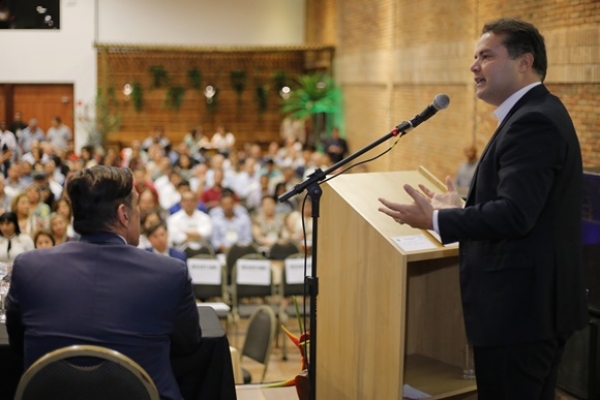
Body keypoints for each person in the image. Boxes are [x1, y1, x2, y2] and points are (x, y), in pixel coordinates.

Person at [378, 18, 587, 399]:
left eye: (486, 56)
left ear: (524, 62)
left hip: (520, 313)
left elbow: (515, 215)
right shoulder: (535, 113)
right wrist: (459, 206)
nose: (474, 66)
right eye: (475, 57)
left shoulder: (533, 121)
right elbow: (526, 207)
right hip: (531, 310)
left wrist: (437, 219)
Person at [5, 165, 202, 400]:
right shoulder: (170, 273)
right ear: (124, 214)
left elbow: (17, 343)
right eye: (137, 206)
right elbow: (187, 345)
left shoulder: (28, 267)